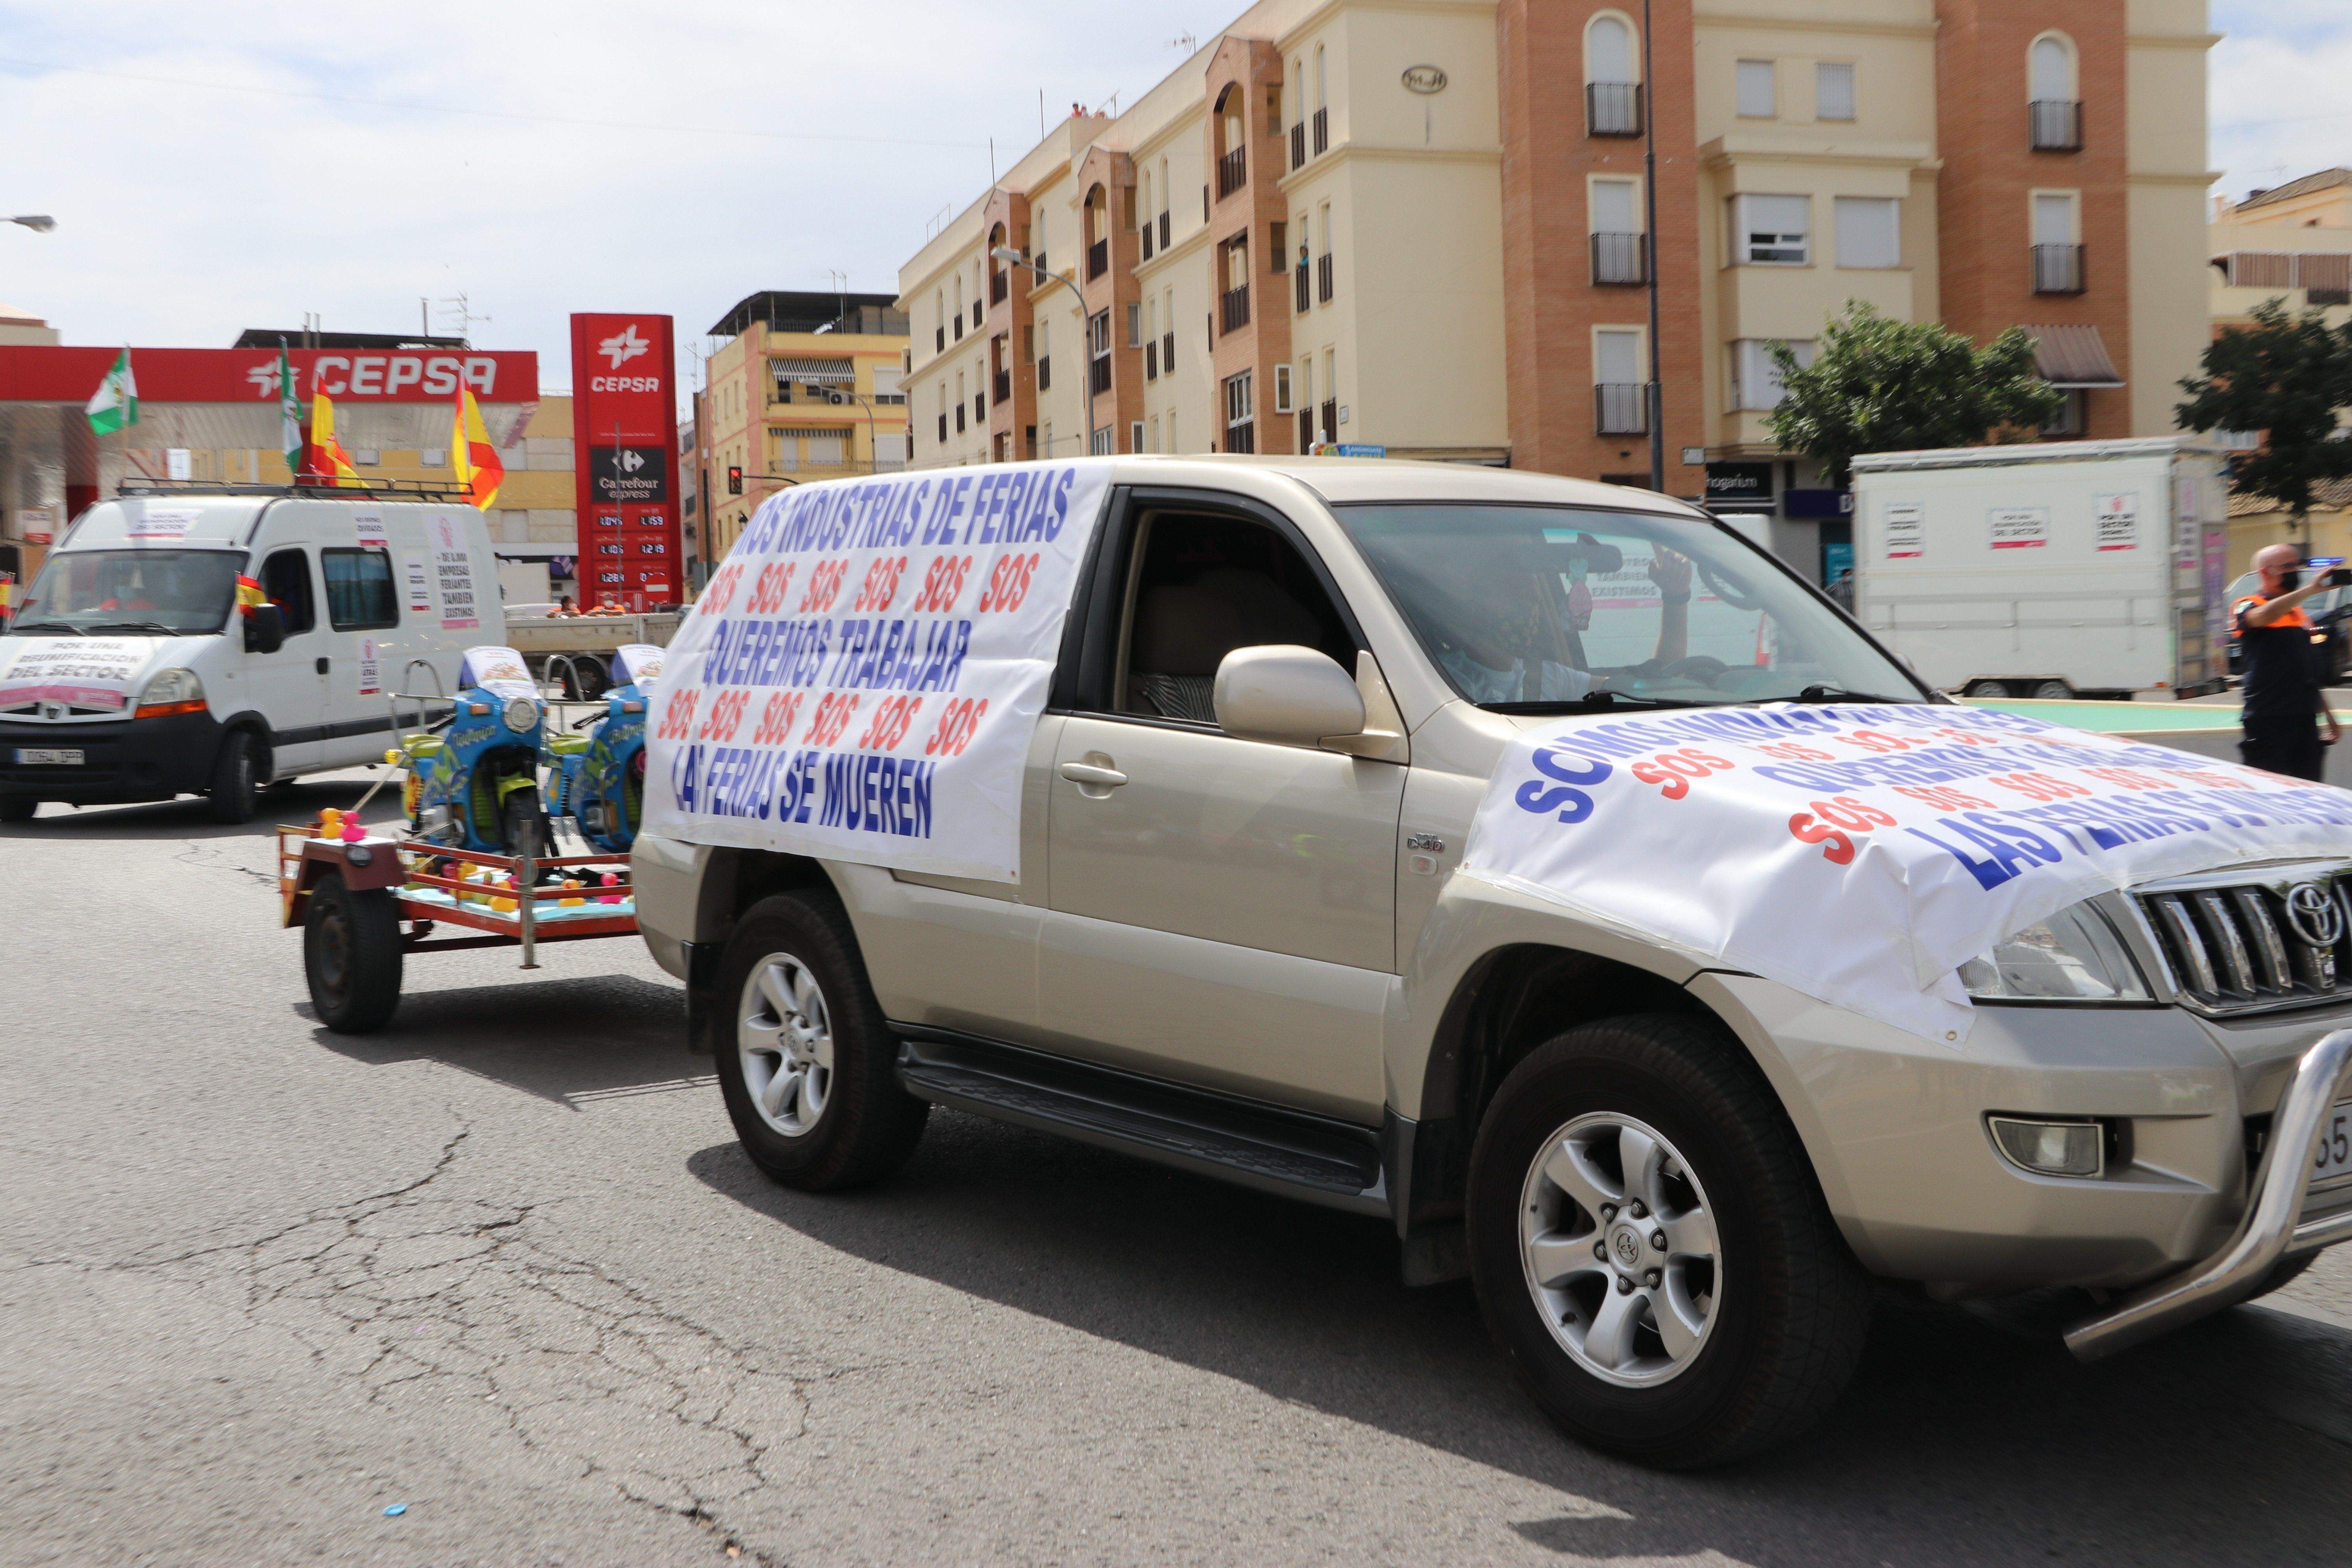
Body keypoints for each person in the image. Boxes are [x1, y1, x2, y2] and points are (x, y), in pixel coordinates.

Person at [2235, 543, 2342, 780]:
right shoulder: (2248, 604)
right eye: (2288, 566)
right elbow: (2260, 618)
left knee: (2309, 788)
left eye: (2297, 565)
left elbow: (2307, 671)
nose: (2295, 571)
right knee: (2269, 789)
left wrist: (2329, 716)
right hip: (2269, 717)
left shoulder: (2299, 614)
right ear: (2265, 572)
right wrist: (2309, 590)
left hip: (2304, 716)